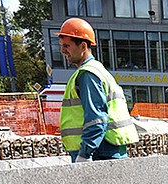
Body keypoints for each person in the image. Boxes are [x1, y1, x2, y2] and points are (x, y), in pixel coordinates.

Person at [55, 18, 138, 162]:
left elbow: (96, 119)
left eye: (67, 46)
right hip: (106, 150)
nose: (63, 50)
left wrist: (85, 154)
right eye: (62, 46)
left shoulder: (88, 75)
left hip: (100, 153)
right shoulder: (97, 70)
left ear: (82, 46)